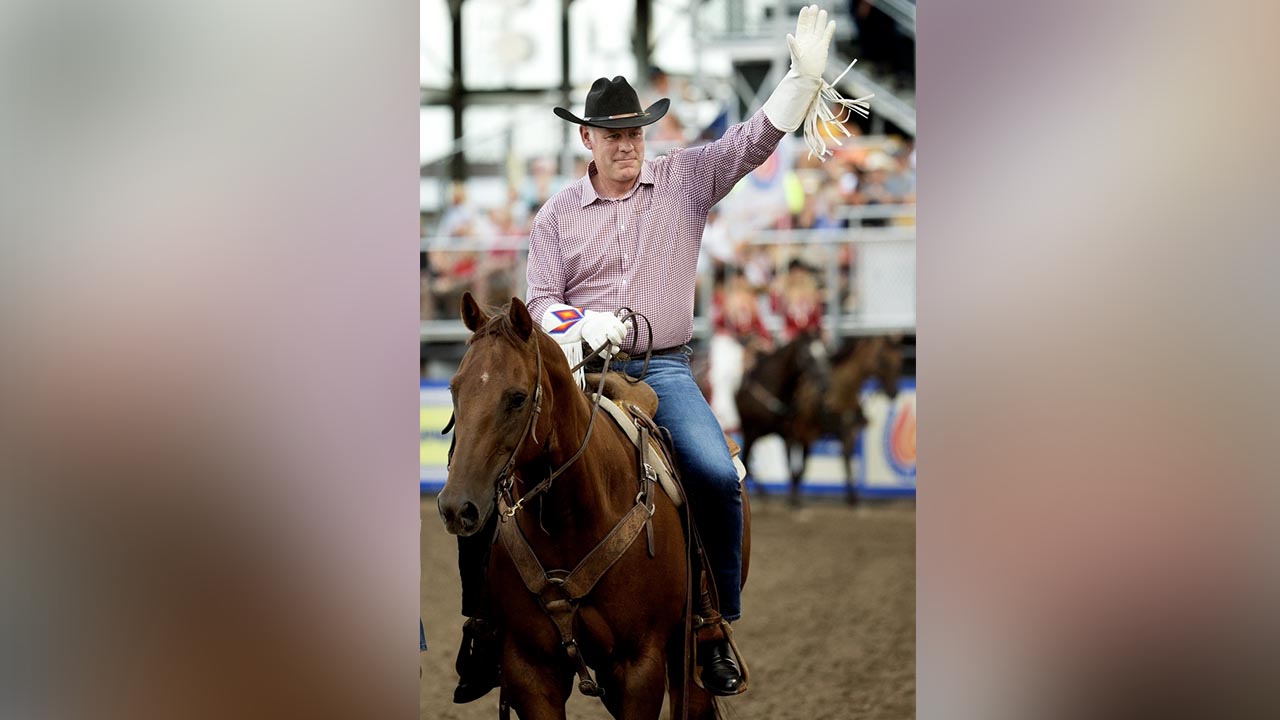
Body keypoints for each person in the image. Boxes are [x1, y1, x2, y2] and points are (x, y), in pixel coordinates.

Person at [451, 4, 855, 702]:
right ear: (588, 139)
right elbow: (540, 301)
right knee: (479, 466)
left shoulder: (685, 180)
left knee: (714, 474)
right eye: (612, 135)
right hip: (574, 375)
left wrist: (795, 87)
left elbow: (748, 144)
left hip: (662, 368)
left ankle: (712, 625)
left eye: (635, 131)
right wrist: (588, 324)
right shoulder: (555, 216)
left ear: (646, 132)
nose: (627, 143)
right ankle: (482, 627)